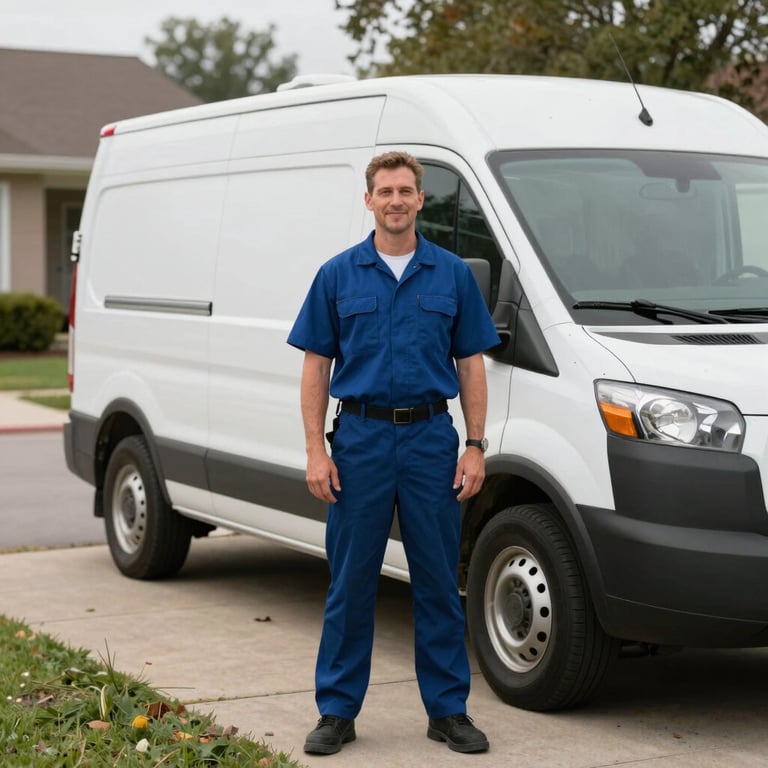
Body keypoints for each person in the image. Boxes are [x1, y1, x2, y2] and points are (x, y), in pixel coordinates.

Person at [287, 151, 500, 756]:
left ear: (420, 200)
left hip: (433, 439)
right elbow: (316, 367)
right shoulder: (337, 275)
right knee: (351, 582)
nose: (396, 200)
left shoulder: (452, 274)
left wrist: (476, 445)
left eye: (406, 190)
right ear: (369, 200)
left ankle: (448, 711)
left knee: (436, 580)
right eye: (385, 191)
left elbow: (471, 365)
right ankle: (336, 711)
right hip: (359, 441)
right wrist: (314, 450)